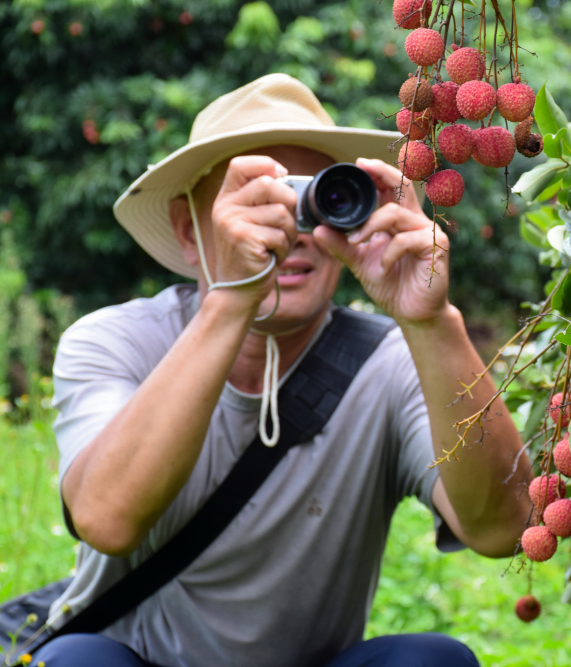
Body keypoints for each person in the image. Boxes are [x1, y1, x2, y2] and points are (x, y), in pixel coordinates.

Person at [33, 74, 533, 667]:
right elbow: (104, 519)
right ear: (190, 229)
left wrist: (432, 323)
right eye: (259, 202)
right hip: (136, 657)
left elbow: (504, 530)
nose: (293, 232)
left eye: (316, 197)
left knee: (434, 660)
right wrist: (233, 297)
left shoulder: (392, 363)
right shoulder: (115, 341)